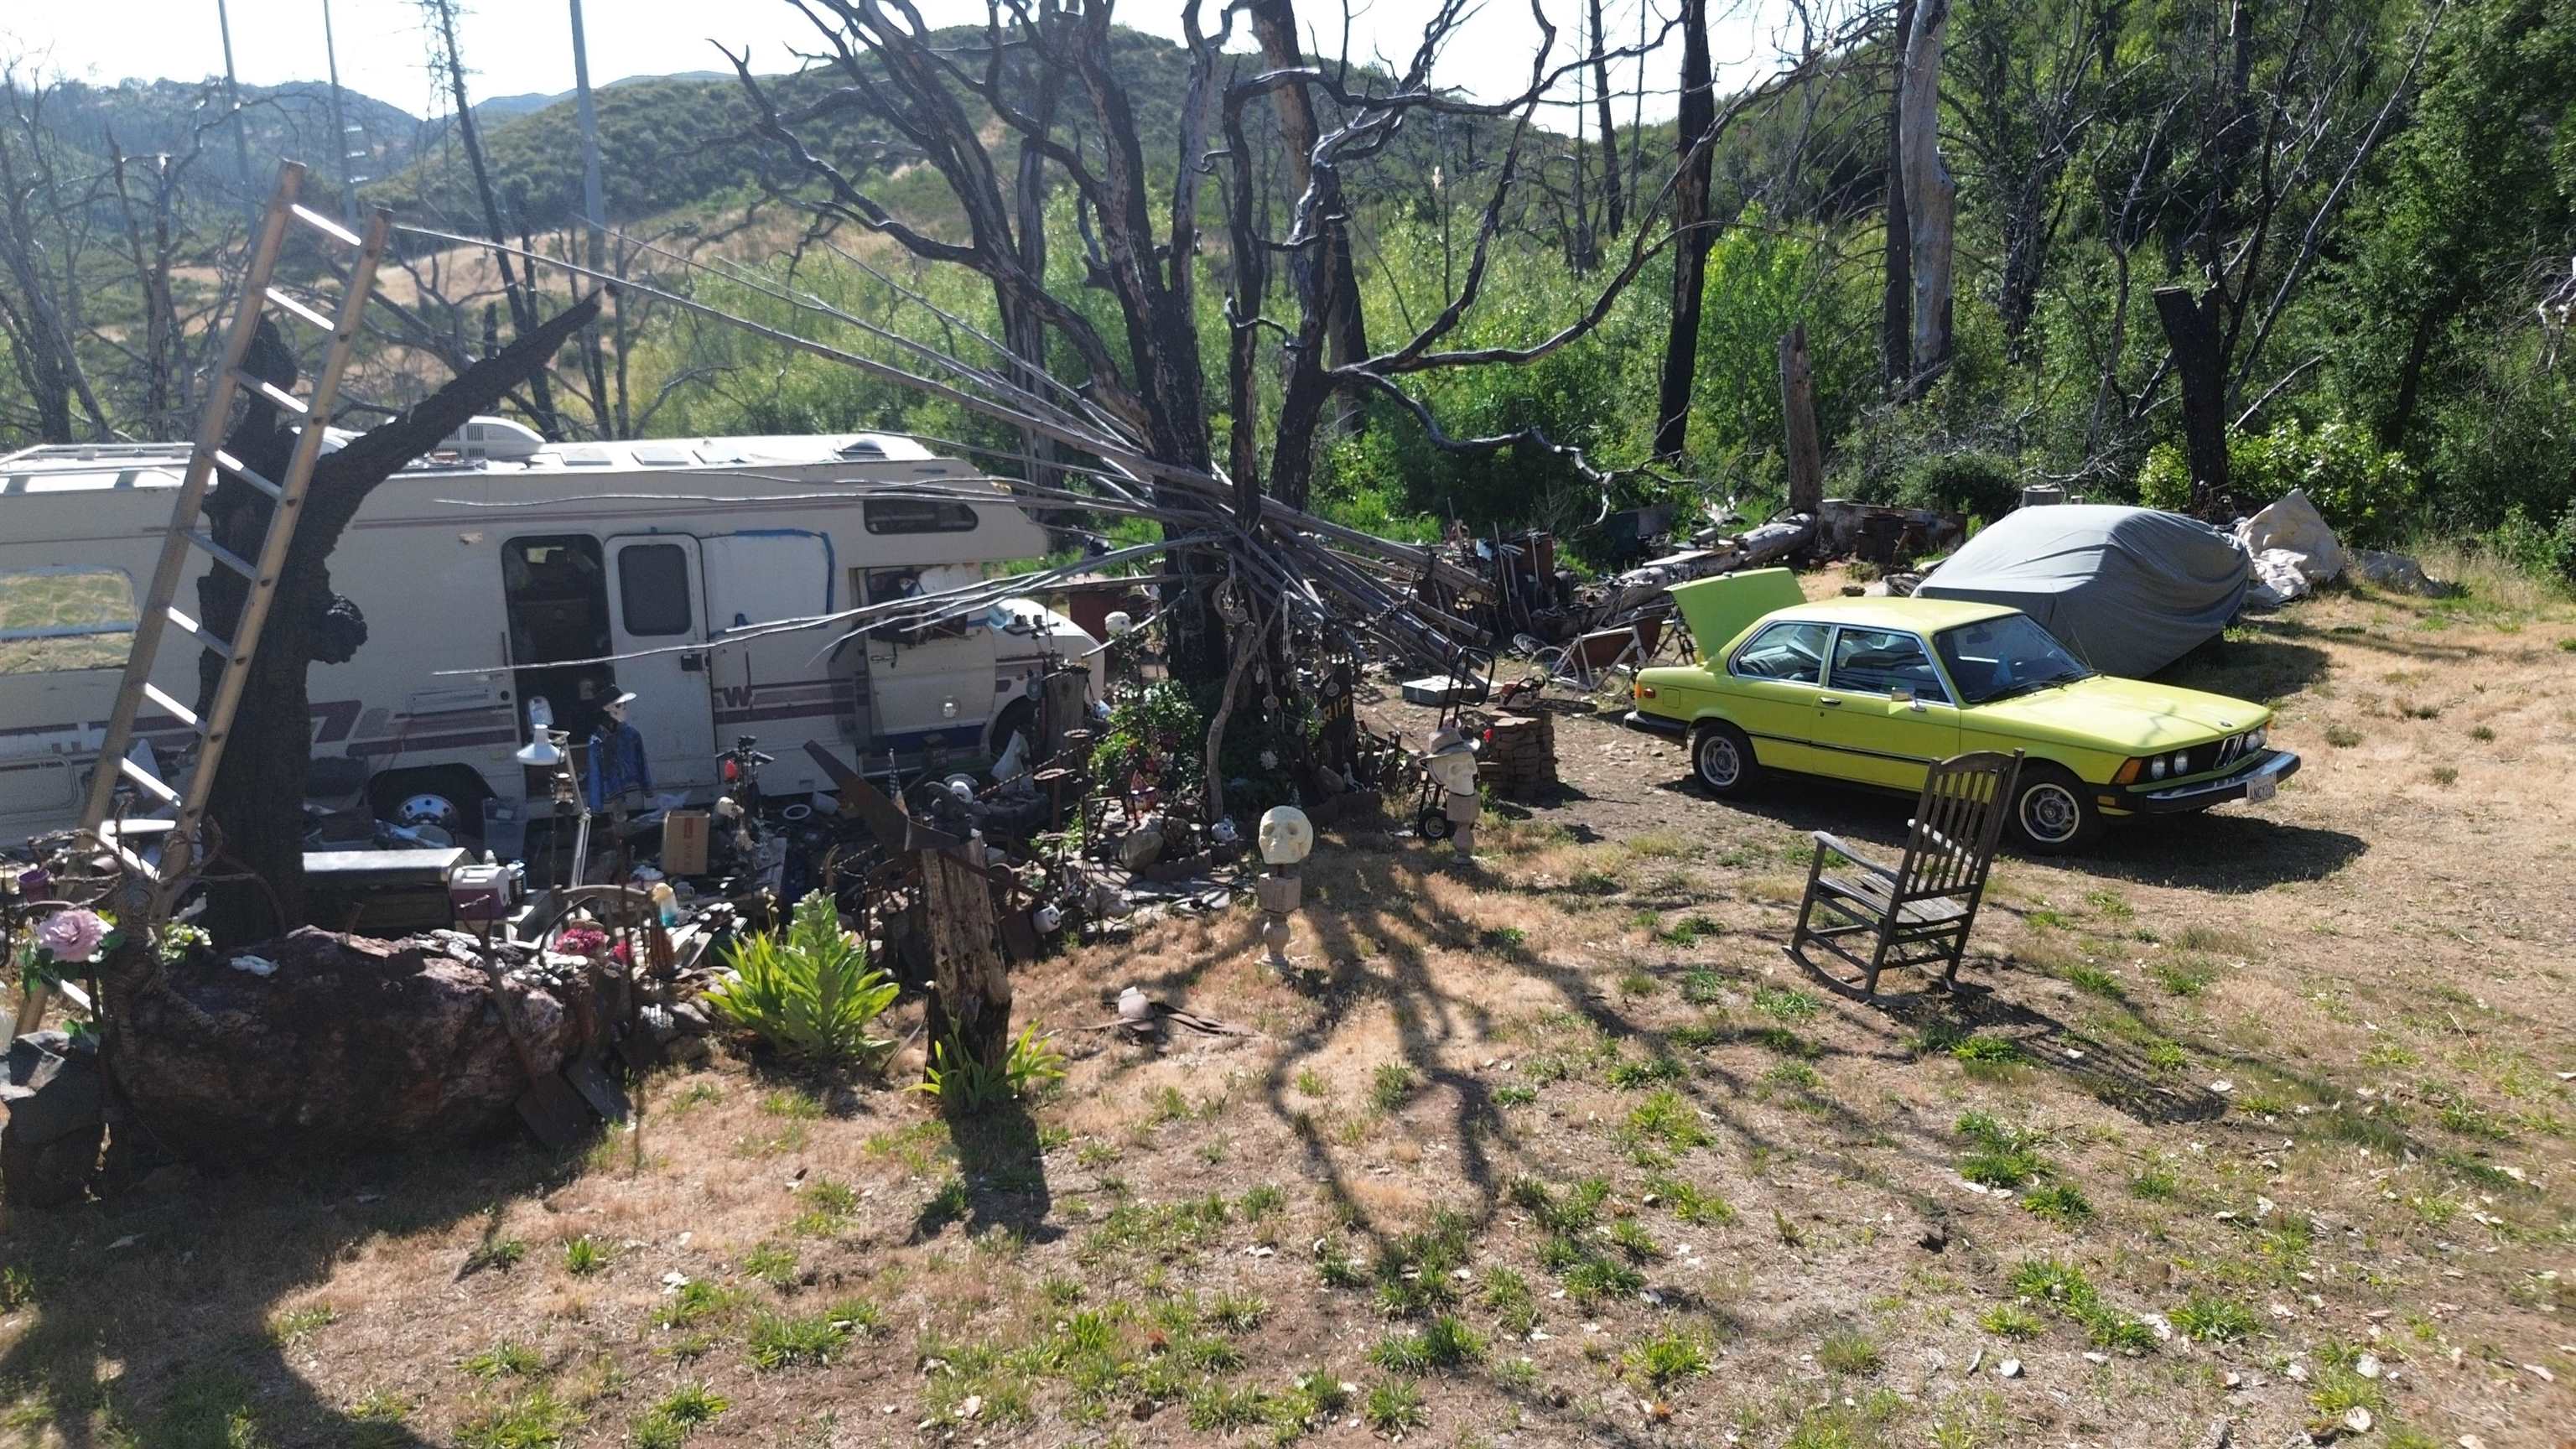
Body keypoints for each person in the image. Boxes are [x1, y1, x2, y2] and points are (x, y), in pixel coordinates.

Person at [585, 691, 651, 812]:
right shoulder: (597, 741)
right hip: (611, 789)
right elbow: (594, 773)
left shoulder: (632, 735)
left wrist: (647, 787)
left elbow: (642, 761)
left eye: (625, 706)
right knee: (619, 814)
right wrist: (595, 804)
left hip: (632, 786)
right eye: (619, 706)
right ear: (606, 709)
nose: (624, 710)